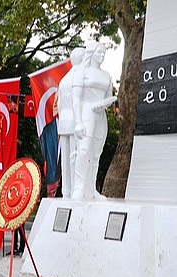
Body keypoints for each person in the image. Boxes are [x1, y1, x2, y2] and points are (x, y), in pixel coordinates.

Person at [71, 42, 117, 200]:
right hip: (86, 113)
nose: (102, 55)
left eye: (104, 53)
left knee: (96, 153)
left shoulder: (106, 75)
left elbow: (108, 97)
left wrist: (107, 103)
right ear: (92, 53)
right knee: (83, 151)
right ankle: (79, 188)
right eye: (99, 52)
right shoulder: (81, 72)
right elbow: (76, 99)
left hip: (100, 115)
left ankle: (91, 190)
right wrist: (78, 121)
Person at [57, 47, 86, 198]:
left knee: (66, 159)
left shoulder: (63, 80)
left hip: (64, 122)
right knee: (76, 157)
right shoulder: (79, 76)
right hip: (75, 121)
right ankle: (75, 189)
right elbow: (79, 100)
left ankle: (66, 191)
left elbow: (60, 104)